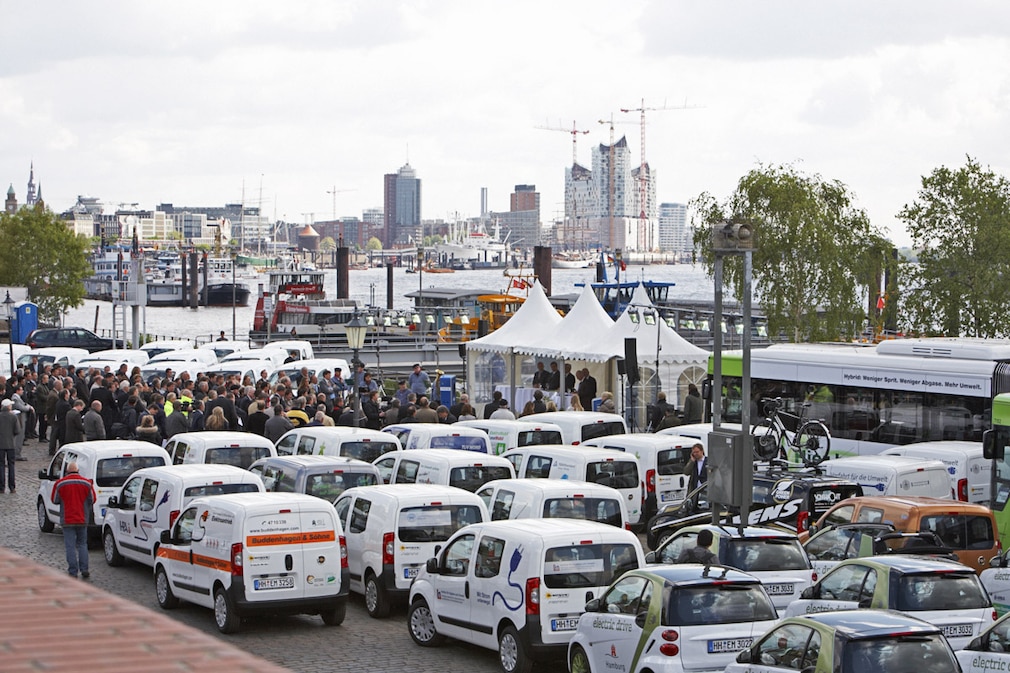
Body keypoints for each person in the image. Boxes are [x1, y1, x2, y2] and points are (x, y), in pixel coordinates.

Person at [52, 461, 97, 578]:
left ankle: (73, 571)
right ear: (78, 471)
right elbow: (93, 499)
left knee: (70, 546)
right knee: (82, 544)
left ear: (67, 471)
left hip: (67, 519)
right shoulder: (86, 483)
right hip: (82, 518)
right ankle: (84, 569)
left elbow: (54, 500)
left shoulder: (60, 484)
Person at [0, 399, 22, 493]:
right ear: (8, 406)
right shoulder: (13, 417)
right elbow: (17, 430)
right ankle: (12, 486)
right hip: (10, 444)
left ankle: (1, 487)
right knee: (11, 465)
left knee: (1, 465)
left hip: (0, 444)